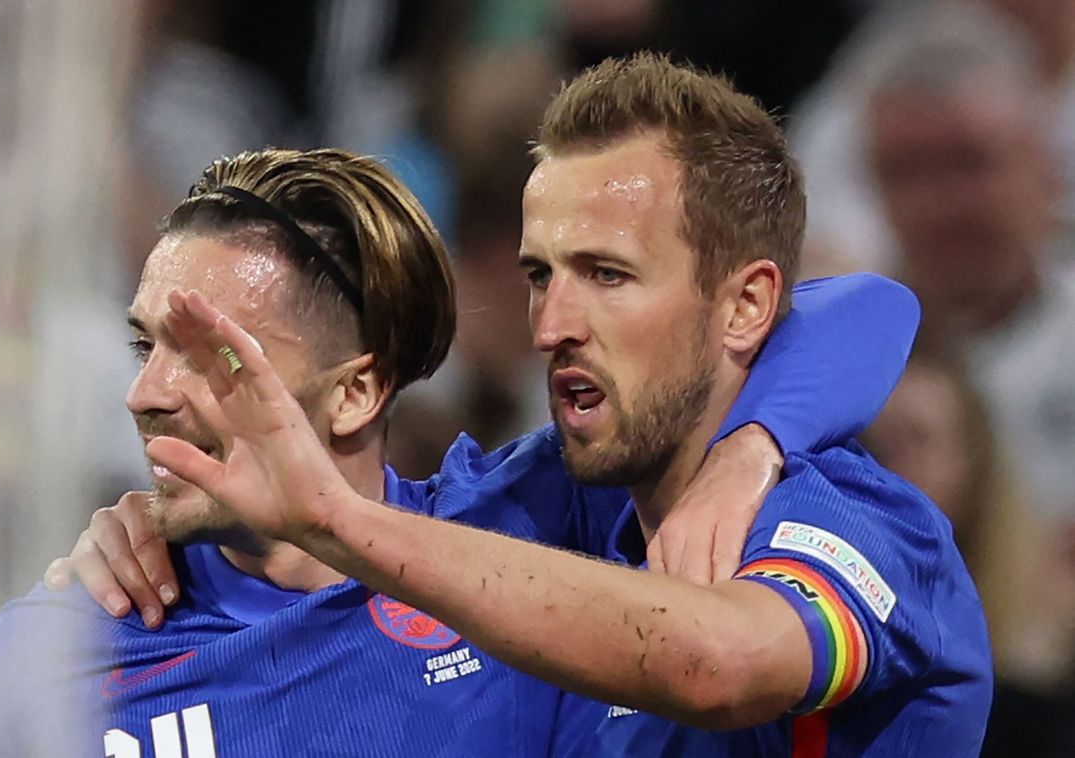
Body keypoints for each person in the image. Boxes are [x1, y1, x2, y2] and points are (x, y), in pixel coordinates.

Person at [0, 138, 914, 753]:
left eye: (209, 358)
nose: (144, 394)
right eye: (144, 346)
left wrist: (751, 448)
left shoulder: (527, 522)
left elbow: (865, 312)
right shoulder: (67, 638)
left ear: (356, 391)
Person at [136, 53, 991, 756]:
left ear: (744, 306)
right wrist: (165, 534)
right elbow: (311, 580)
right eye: (541, 275)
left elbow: (716, 664)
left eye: (606, 275)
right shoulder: (544, 502)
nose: (550, 326)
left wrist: (330, 516)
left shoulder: (862, 519)